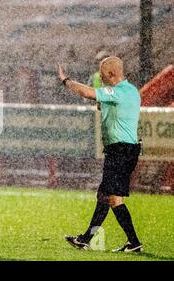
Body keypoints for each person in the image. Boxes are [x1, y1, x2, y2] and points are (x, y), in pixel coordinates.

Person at [58, 56, 143, 252]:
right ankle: (88, 238)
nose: (100, 77)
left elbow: (86, 92)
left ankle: (130, 242)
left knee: (111, 197)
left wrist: (66, 80)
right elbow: (107, 107)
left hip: (120, 150)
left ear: (112, 74)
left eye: (102, 73)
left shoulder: (119, 91)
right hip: (125, 149)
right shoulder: (131, 91)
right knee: (106, 195)